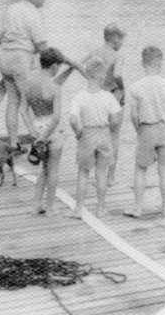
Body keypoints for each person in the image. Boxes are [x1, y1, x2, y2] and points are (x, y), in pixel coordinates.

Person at [124, 46, 165, 219]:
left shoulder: (135, 87)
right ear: (160, 63)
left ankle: (138, 208)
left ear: (143, 63)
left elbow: (134, 115)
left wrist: (139, 131)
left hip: (146, 129)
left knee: (141, 169)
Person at [0, 0, 48, 153]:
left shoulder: (11, 9)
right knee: (29, 101)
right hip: (21, 58)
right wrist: (51, 61)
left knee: (13, 102)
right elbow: (40, 44)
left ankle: (14, 142)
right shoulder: (33, 13)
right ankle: (37, 141)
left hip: (5, 57)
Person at [22, 48, 78, 216]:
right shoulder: (54, 87)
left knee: (43, 170)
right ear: (53, 66)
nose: (59, 70)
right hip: (52, 132)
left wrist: (34, 134)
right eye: (58, 66)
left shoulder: (29, 83)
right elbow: (55, 118)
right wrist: (45, 138)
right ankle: (51, 207)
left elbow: (23, 111)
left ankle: (36, 205)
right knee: (53, 170)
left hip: (38, 126)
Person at [68, 56, 123, 218]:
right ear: (102, 76)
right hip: (103, 133)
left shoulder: (79, 97)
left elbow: (72, 119)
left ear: (87, 74)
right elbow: (116, 119)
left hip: (87, 133)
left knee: (83, 172)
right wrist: (109, 128)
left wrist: (78, 132)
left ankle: (78, 209)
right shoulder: (108, 96)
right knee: (101, 173)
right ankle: (100, 208)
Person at [83, 23, 126, 186]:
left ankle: (96, 175)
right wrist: (121, 88)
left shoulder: (95, 52)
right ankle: (110, 178)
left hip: (96, 95)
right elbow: (117, 74)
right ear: (115, 38)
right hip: (114, 95)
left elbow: (79, 65)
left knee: (97, 134)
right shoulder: (118, 55)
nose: (122, 43)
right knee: (114, 137)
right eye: (122, 39)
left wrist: (91, 81)